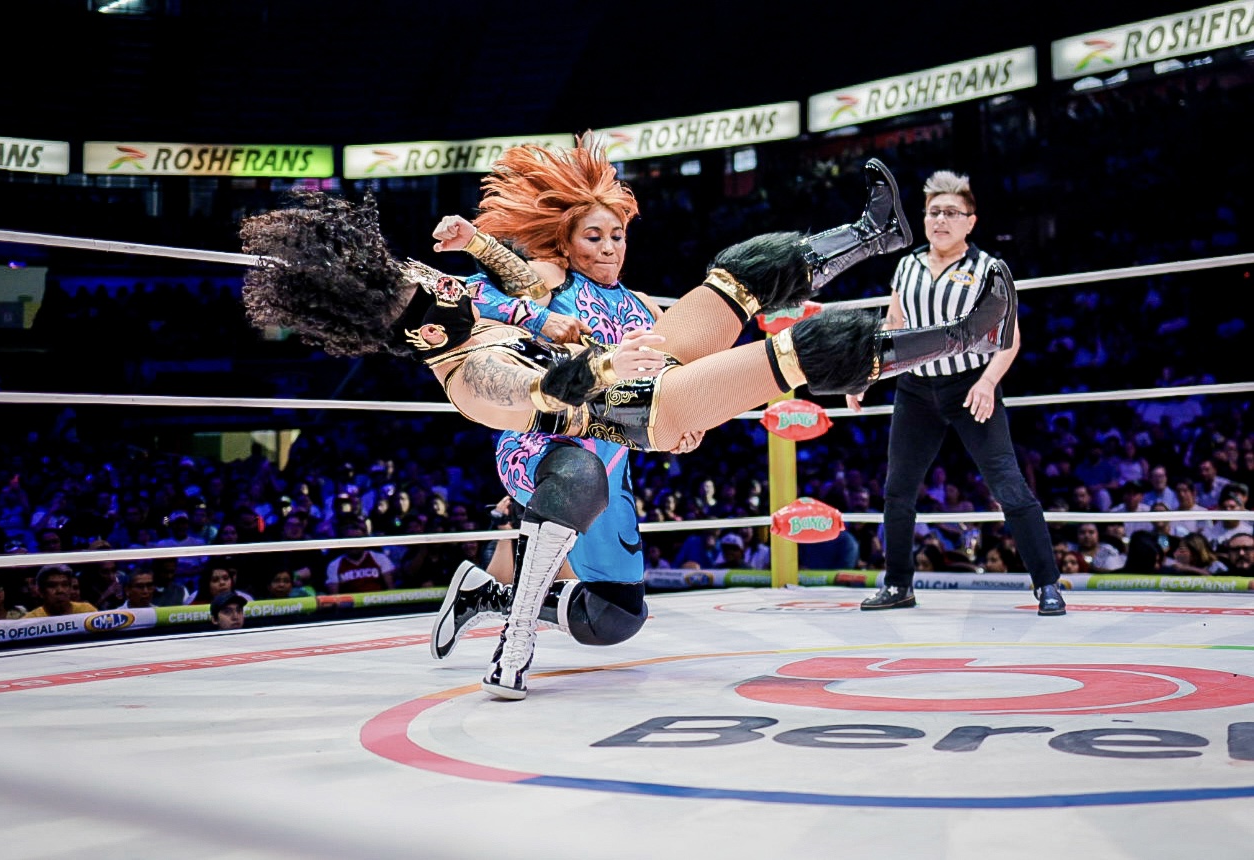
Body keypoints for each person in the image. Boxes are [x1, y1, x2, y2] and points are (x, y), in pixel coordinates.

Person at [240, 150, 1017, 698]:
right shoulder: (472, 372)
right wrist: (613, 365)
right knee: (792, 356)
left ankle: (876, 234)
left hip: (631, 398)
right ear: (425, 328)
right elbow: (544, 389)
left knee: (739, 278)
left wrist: (480, 248)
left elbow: (513, 289)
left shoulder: (482, 307)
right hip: (572, 434)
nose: (450, 283)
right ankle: (962, 335)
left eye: (617, 234)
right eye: (438, 288)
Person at [846, 169, 1065, 616]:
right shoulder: (907, 266)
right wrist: (864, 376)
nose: (940, 220)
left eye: (951, 212)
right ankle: (898, 584)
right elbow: (894, 328)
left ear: (970, 221)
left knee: (1008, 484)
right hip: (915, 389)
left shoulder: (988, 270)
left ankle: (1047, 584)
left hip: (969, 386)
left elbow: (1010, 338)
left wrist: (988, 382)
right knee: (897, 489)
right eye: (933, 212)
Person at [22, 564, 98, 618]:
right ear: (41, 592)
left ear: (70, 589)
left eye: (65, 585)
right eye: (52, 586)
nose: (60, 591)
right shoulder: (31, 619)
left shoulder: (86, 611)